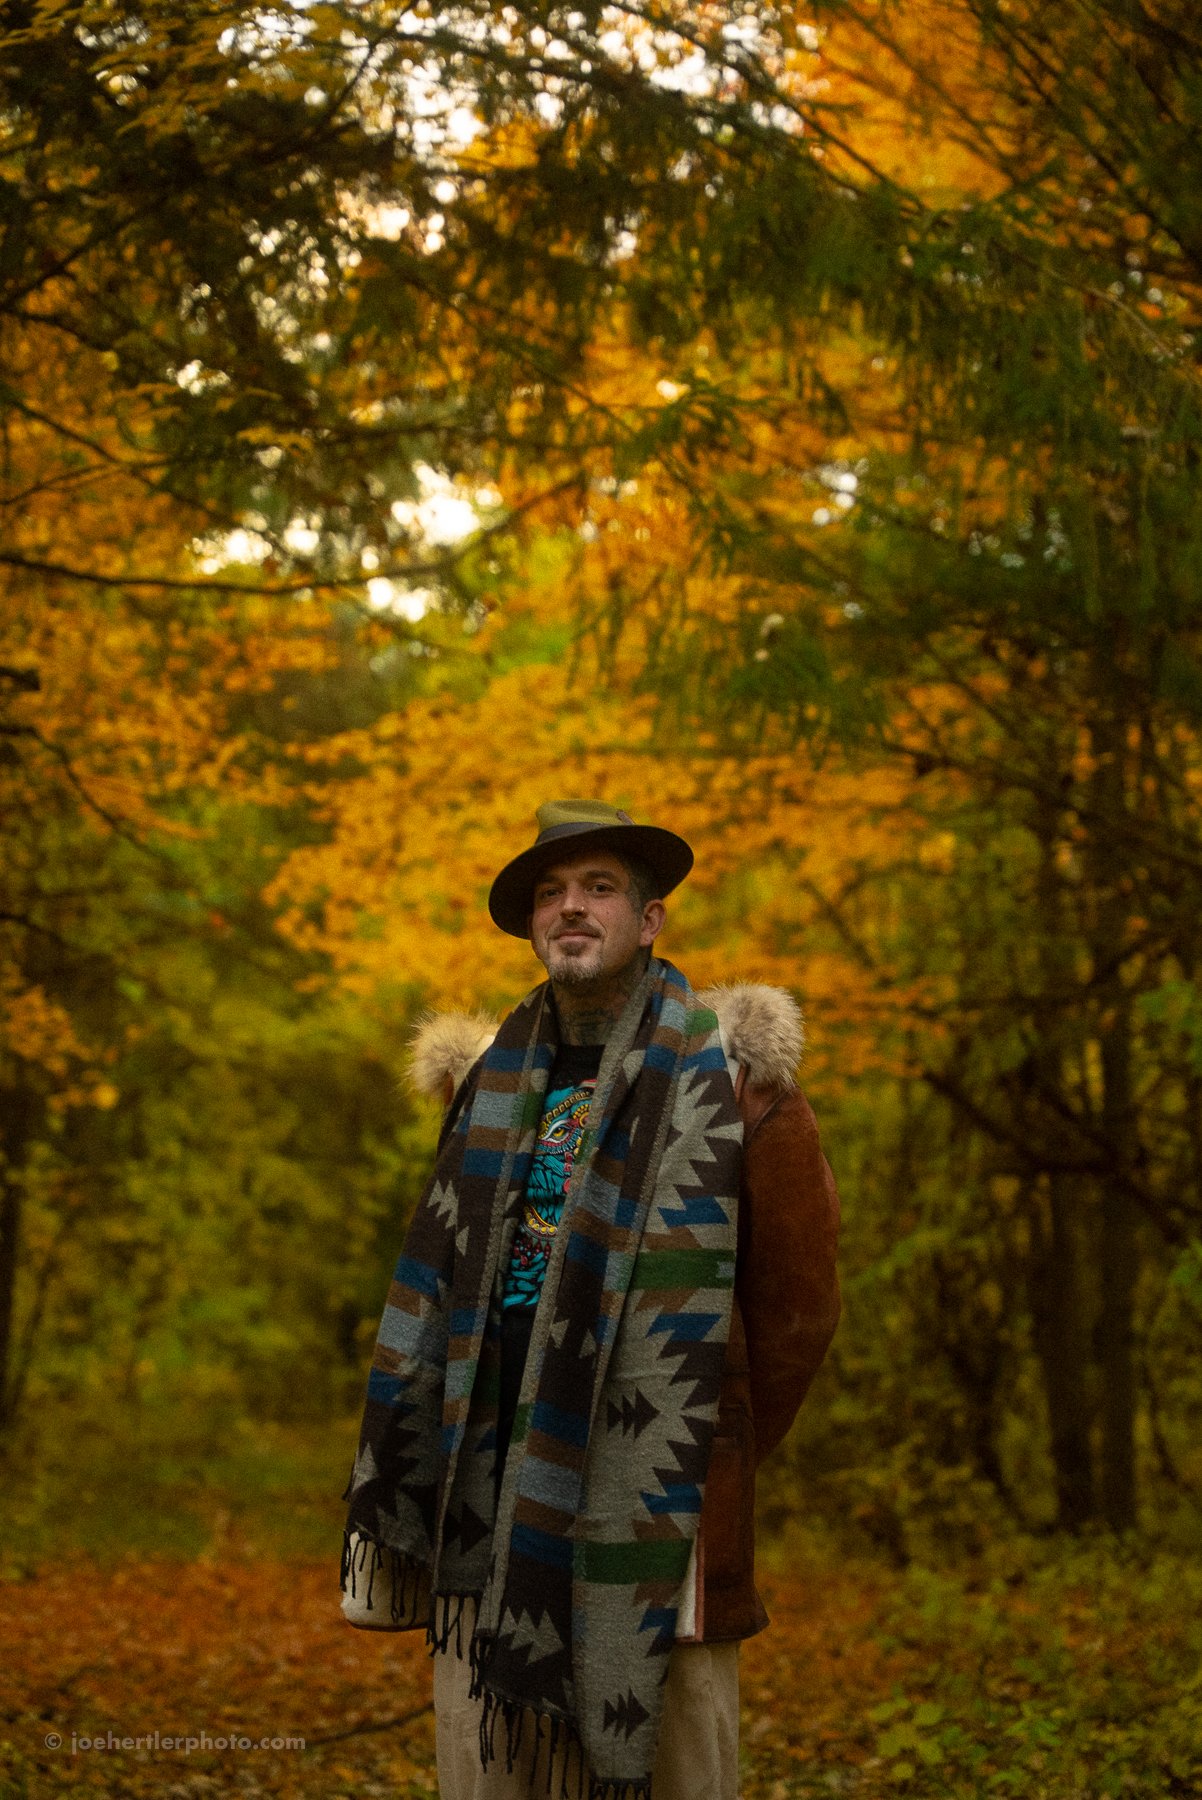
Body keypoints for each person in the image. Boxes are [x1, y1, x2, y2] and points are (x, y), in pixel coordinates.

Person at [342, 799, 840, 1800]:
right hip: (487, 1504)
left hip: (661, 1514)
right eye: (551, 893)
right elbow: (437, 1298)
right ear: (532, 924)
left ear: (648, 919)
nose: (572, 908)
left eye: (599, 888)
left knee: (675, 1771)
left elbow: (798, 1311)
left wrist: (698, 1437)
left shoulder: (735, 1081)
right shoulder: (485, 1087)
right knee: (491, 1772)